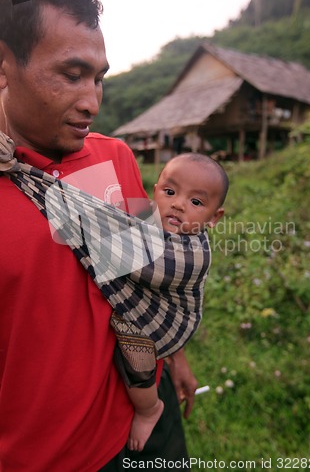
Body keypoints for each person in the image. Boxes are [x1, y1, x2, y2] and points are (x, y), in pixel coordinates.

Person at [0, 0, 198, 470]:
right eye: (71, 75)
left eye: (98, 77)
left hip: (146, 419)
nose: (92, 101)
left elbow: (149, 279)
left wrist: (175, 357)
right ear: (4, 66)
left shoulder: (114, 157)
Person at [114, 153, 228, 452]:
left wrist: (88, 227)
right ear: (154, 193)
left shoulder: (193, 253)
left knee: (135, 356)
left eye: (196, 202)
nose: (178, 204)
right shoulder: (152, 219)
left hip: (165, 325)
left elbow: (137, 264)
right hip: (144, 307)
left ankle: (149, 408)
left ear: (214, 218)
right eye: (170, 192)